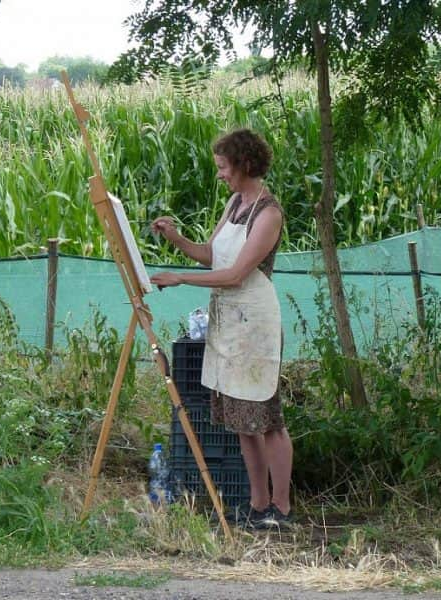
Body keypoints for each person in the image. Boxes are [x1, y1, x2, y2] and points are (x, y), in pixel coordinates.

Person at [149, 128, 292, 529]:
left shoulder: (269, 213)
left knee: (268, 420)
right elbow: (213, 256)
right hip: (230, 324)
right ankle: (257, 505)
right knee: (242, 423)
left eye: (224, 167)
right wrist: (175, 237)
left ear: (245, 165)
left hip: (255, 326)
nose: (220, 175)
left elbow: (234, 274)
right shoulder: (235, 203)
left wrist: (180, 278)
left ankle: (280, 508)